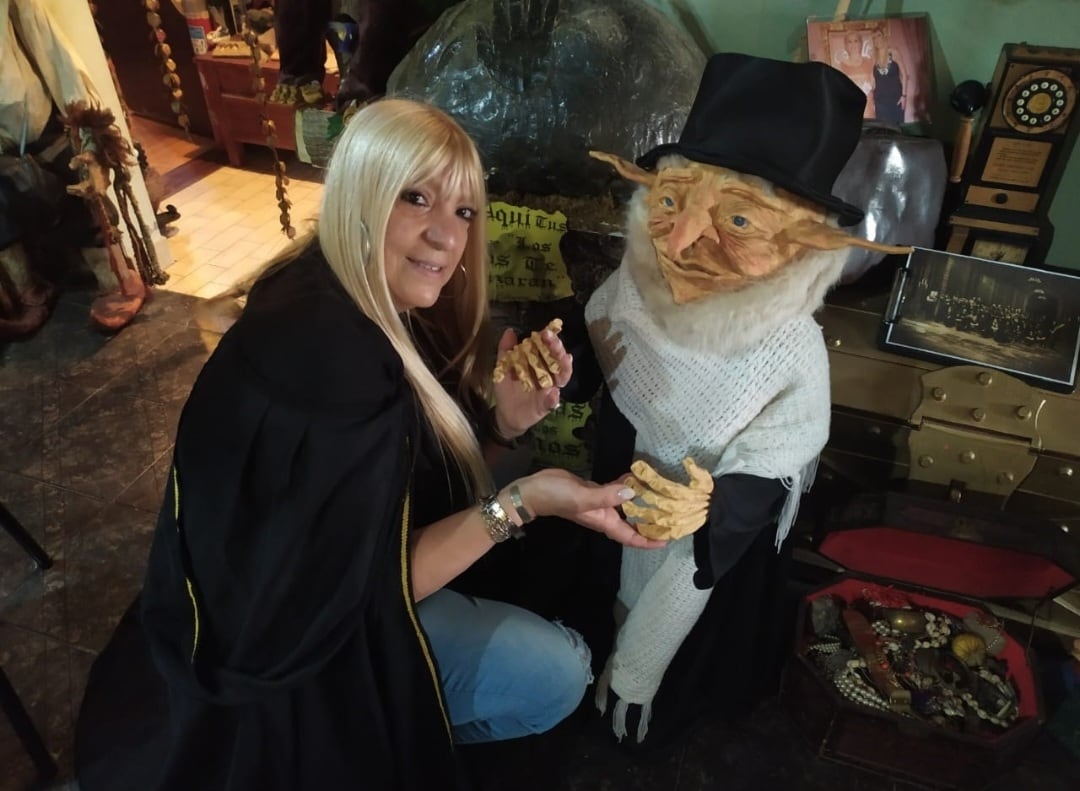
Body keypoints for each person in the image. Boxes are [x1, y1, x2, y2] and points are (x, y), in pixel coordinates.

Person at [74, 97, 663, 791]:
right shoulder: (337, 371)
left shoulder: (333, 292)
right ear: (361, 188)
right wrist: (521, 504)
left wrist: (504, 422)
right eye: (416, 197)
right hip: (305, 668)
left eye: (464, 211)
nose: (446, 236)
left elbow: (397, 494)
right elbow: (373, 587)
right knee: (562, 672)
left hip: (233, 603)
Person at [870, 24, 909, 124]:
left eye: (878, 35)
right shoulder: (874, 57)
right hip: (880, 102)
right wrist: (872, 100)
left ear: (884, 36)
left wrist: (904, 96)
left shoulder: (894, 52)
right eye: (874, 38)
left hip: (896, 100)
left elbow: (905, 75)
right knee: (883, 129)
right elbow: (873, 81)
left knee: (897, 128)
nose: (877, 39)